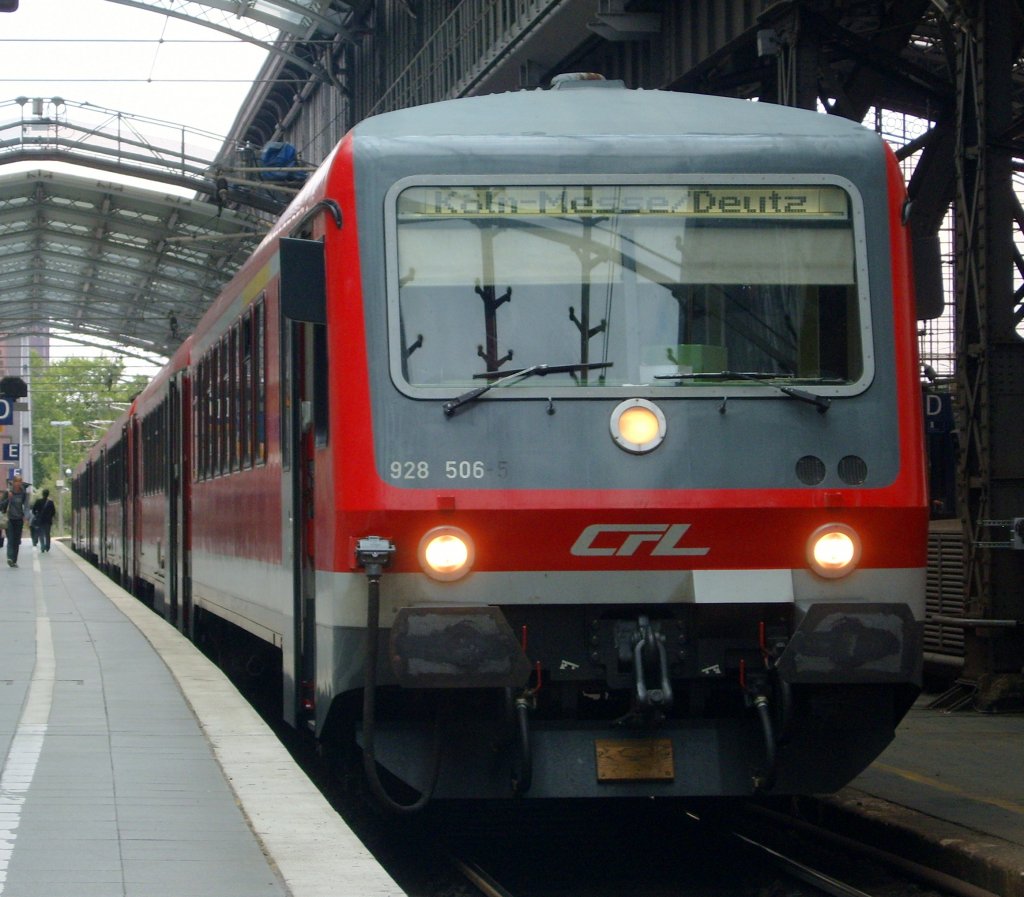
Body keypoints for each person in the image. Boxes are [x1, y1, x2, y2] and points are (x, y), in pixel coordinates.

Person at [0, 475, 29, 568]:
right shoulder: (8, 492)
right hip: (9, 519)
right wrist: (9, 498)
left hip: (19, 519)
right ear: (13, 482)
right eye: (16, 482)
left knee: (17, 541)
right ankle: (10, 558)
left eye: (19, 482)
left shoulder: (23, 493)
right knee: (11, 539)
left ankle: (14, 560)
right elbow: (1, 505)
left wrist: (26, 516)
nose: (17, 484)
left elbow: (26, 506)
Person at [32, 489, 56, 553]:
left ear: (42, 494)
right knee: (47, 534)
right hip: (48, 521)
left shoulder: (38, 501)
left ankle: (42, 546)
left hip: (40, 520)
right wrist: (50, 516)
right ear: (48, 494)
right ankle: (47, 546)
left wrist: (37, 515)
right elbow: (53, 512)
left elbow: (33, 510)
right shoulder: (50, 502)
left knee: (41, 534)